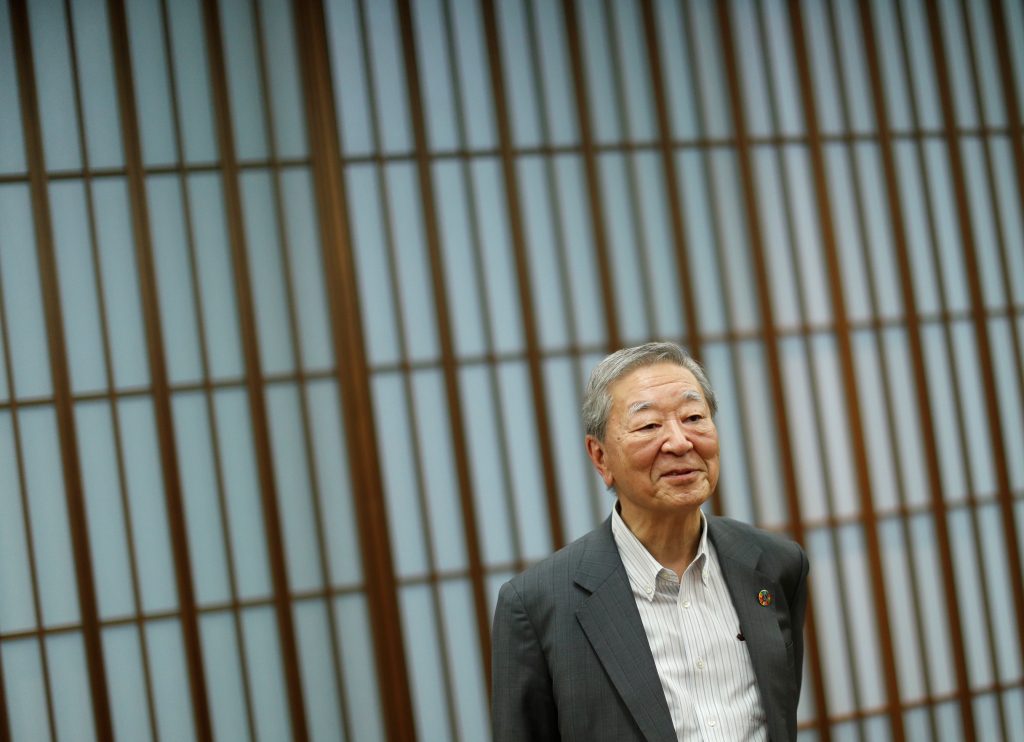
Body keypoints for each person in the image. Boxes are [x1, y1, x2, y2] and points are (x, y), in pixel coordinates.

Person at [491, 342, 808, 741]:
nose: (680, 442)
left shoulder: (776, 565)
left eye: (694, 417)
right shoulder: (538, 605)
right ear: (601, 458)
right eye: (649, 426)